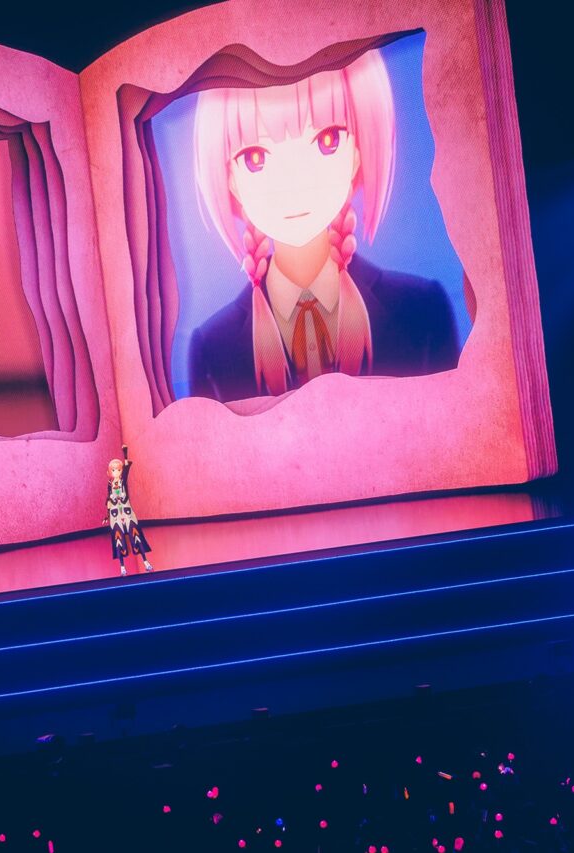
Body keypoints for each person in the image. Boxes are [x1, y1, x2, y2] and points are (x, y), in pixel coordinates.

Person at [187, 51, 460, 403]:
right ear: (232, 182)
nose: (294, 184)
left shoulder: (422, 311)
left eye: (327, 140)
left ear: (356, 155)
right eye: (255, 158)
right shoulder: (212, 349)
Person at [107, 445, 153, 576]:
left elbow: (127, 470)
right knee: (118, 540)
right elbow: (108, 499)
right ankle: (122, 567)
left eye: (118, 469)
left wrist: (125, 454)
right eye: (114, 470)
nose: (116, 472)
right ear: (110, 472)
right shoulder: (110, 484)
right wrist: (107, 513)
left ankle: (146, 562)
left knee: (136, 536)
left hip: (127, 512)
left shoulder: (122, 481)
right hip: (115, 514)